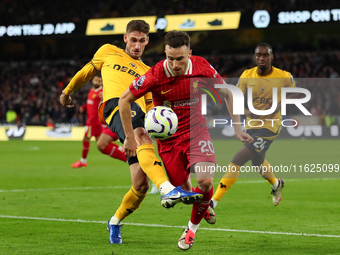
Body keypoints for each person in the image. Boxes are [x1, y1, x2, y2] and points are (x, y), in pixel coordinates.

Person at [59, 20, 203, 245]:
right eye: (133, 40)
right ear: (125, 38)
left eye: (141, 41)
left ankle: (114, 222)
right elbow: (87, 71)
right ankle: (166, 189)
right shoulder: (108, 51)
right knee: (140, 133)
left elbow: (149, 105)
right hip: (114, 106)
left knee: (140, 185)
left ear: (147, 42)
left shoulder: (147, 72)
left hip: (135, 115)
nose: (137, 45)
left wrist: (160, 118)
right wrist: (67, 91)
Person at [118, 30, 253, 250]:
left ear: (189, 53)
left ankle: (191, 229)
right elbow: (124, 100)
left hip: (197, 131)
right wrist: (130, 137)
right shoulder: (155, 74)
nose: (175, 64)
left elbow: (229, 93)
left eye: (180, 58)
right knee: (184, 188)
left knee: (205, 182)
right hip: (168, 140)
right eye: (170, 58)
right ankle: (203, 202)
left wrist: (238, 129)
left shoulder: (201, 66)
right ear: (165, 53)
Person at [211, 43, 296, 209]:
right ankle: (276, 184)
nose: (262, 58)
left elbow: (294, 93)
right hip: (251, 126)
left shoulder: (283, 76)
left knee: (238, 159)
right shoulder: (247, 75)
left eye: (265, 55)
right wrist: (245, 111)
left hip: (270, 127)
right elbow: (234, 97)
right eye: (259, 55)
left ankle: (212, 202)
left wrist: (279, 104)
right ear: (255, 57)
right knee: (257, 162)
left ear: (271, 57)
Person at [71, 73, 127, 168]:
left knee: (86, 139)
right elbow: (91, 105)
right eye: (96, 80)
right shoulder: (91, 90)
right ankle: (121, 148)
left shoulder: (103, 92)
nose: (97, 82)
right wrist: (84, 107)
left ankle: (83, 161)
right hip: (92, 120)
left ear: (102, 82)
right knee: (101, 142)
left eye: (99, 81)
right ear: (93, 80)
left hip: (94, 122)